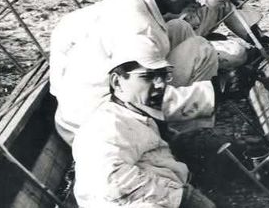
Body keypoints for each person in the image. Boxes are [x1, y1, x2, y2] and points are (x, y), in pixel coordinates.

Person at [50, 0, 220, 144]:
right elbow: (144, 97)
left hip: (73, 115)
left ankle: (180, 127)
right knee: (201, 48)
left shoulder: (124, 0)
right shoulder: (139, 27)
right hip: (100, 131)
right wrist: (214, 94)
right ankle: (182, 141)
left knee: (180, 28)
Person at [73, 36, 216, 208]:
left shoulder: (134, 112)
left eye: (163, 75)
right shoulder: (106, 126)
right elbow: (112, 183)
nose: (160, 84)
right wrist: (182, 197)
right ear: (117, 82)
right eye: (148, 76)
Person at [179, 0, 265, 69]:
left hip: (199, 41)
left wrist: (260, 41)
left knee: (242, 50)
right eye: (221, 1)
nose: (223, 3)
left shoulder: (224, 1)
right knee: (236, 54)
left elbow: (238, 19)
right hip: (179, 52)